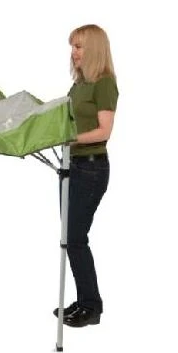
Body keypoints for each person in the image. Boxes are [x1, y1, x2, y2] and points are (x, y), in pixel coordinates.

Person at [54, 24, 118, 328]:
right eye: (72, 47)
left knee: (75, 239)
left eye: (79, 47)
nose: (74, 53)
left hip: (91, 169)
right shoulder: (79, 85)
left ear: (94, 49)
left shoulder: (104, 84)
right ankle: (83, 301)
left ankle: (91, 307)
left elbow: (104, 131)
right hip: (71, 165)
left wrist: (70, 139)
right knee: (70, 238)